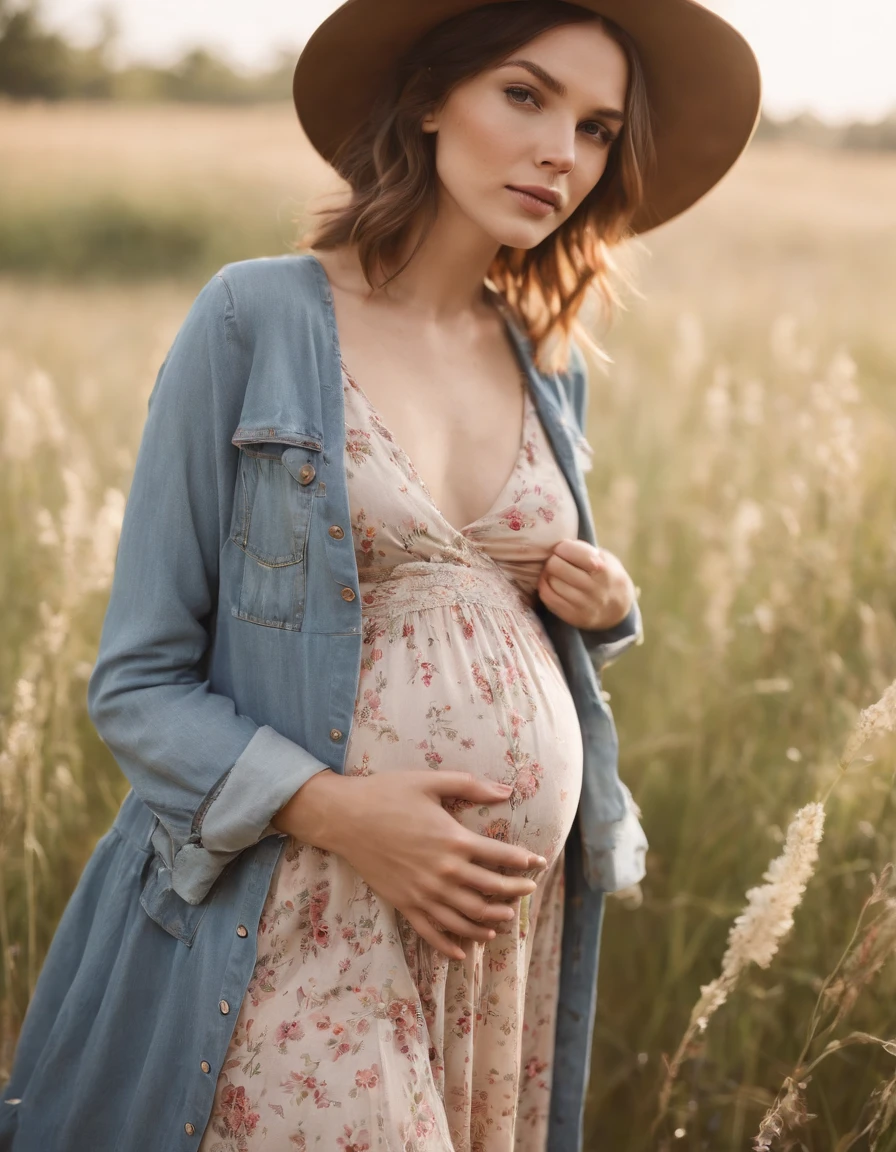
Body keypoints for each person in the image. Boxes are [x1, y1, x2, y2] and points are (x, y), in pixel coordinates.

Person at [0, 1, 760, 1150]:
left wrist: (607, 609)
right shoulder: (253, 319)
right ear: (424, 100)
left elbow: (484, 611)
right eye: (523, 94)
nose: (562, 149)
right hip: (298, 921)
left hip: (495, 956)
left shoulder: (545, 366)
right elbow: (138, 683)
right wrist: (341, 813)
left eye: (597, 128)